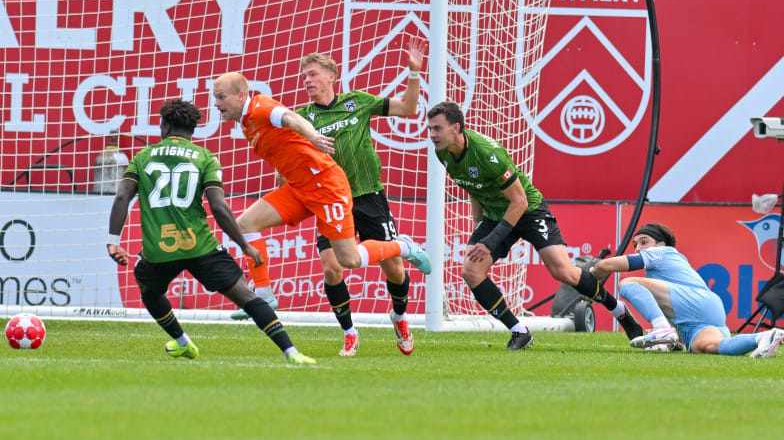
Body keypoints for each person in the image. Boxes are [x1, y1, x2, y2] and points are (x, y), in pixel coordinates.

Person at [211, 72, 432, 355]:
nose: (216, 104)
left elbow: (290, 118)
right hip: (300, 189)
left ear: (241, 95)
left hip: (327, 186)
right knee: (244, 223)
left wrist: (313, 135)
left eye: (221, 97)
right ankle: (264, 293)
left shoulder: (260, 107)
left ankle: (404, 246)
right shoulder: (246, 121)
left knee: (349, 260)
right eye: (215, 97)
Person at [106, 99, 316, 365]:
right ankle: (291, 352)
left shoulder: (143, 157)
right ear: (192, 130)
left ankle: (182, 342)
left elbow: (122, 197)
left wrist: (113, 242)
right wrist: (244, 245)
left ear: (166, 125)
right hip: (200, 247)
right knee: (248, 298)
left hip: (159, 251)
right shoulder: (205, 158)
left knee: (148, 289)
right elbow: (219, 207)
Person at [426, 101, 643, 350]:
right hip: (495, 214)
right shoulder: (442, 151)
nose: (432, 135)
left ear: (457, 127)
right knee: (471, 271)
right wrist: (479, 229)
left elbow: (518, 201)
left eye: (437, 129)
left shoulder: (487, 154)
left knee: (564, 272)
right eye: (430, 129)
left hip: (528, 210)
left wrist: (490, 241)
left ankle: (621, 313)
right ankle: (519, 331)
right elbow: (473, 188)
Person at [591, 223, 784, 357]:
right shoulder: (661, 267)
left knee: (627, 284)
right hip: (704, 317)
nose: (638, 248)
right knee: (710, 347)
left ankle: (661, 330)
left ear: (660, 244)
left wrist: (595, 272)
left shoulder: (662, 252)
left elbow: (616, 264)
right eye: (635, 245)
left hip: (697, 302)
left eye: (644, 242)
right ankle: (763, 337)